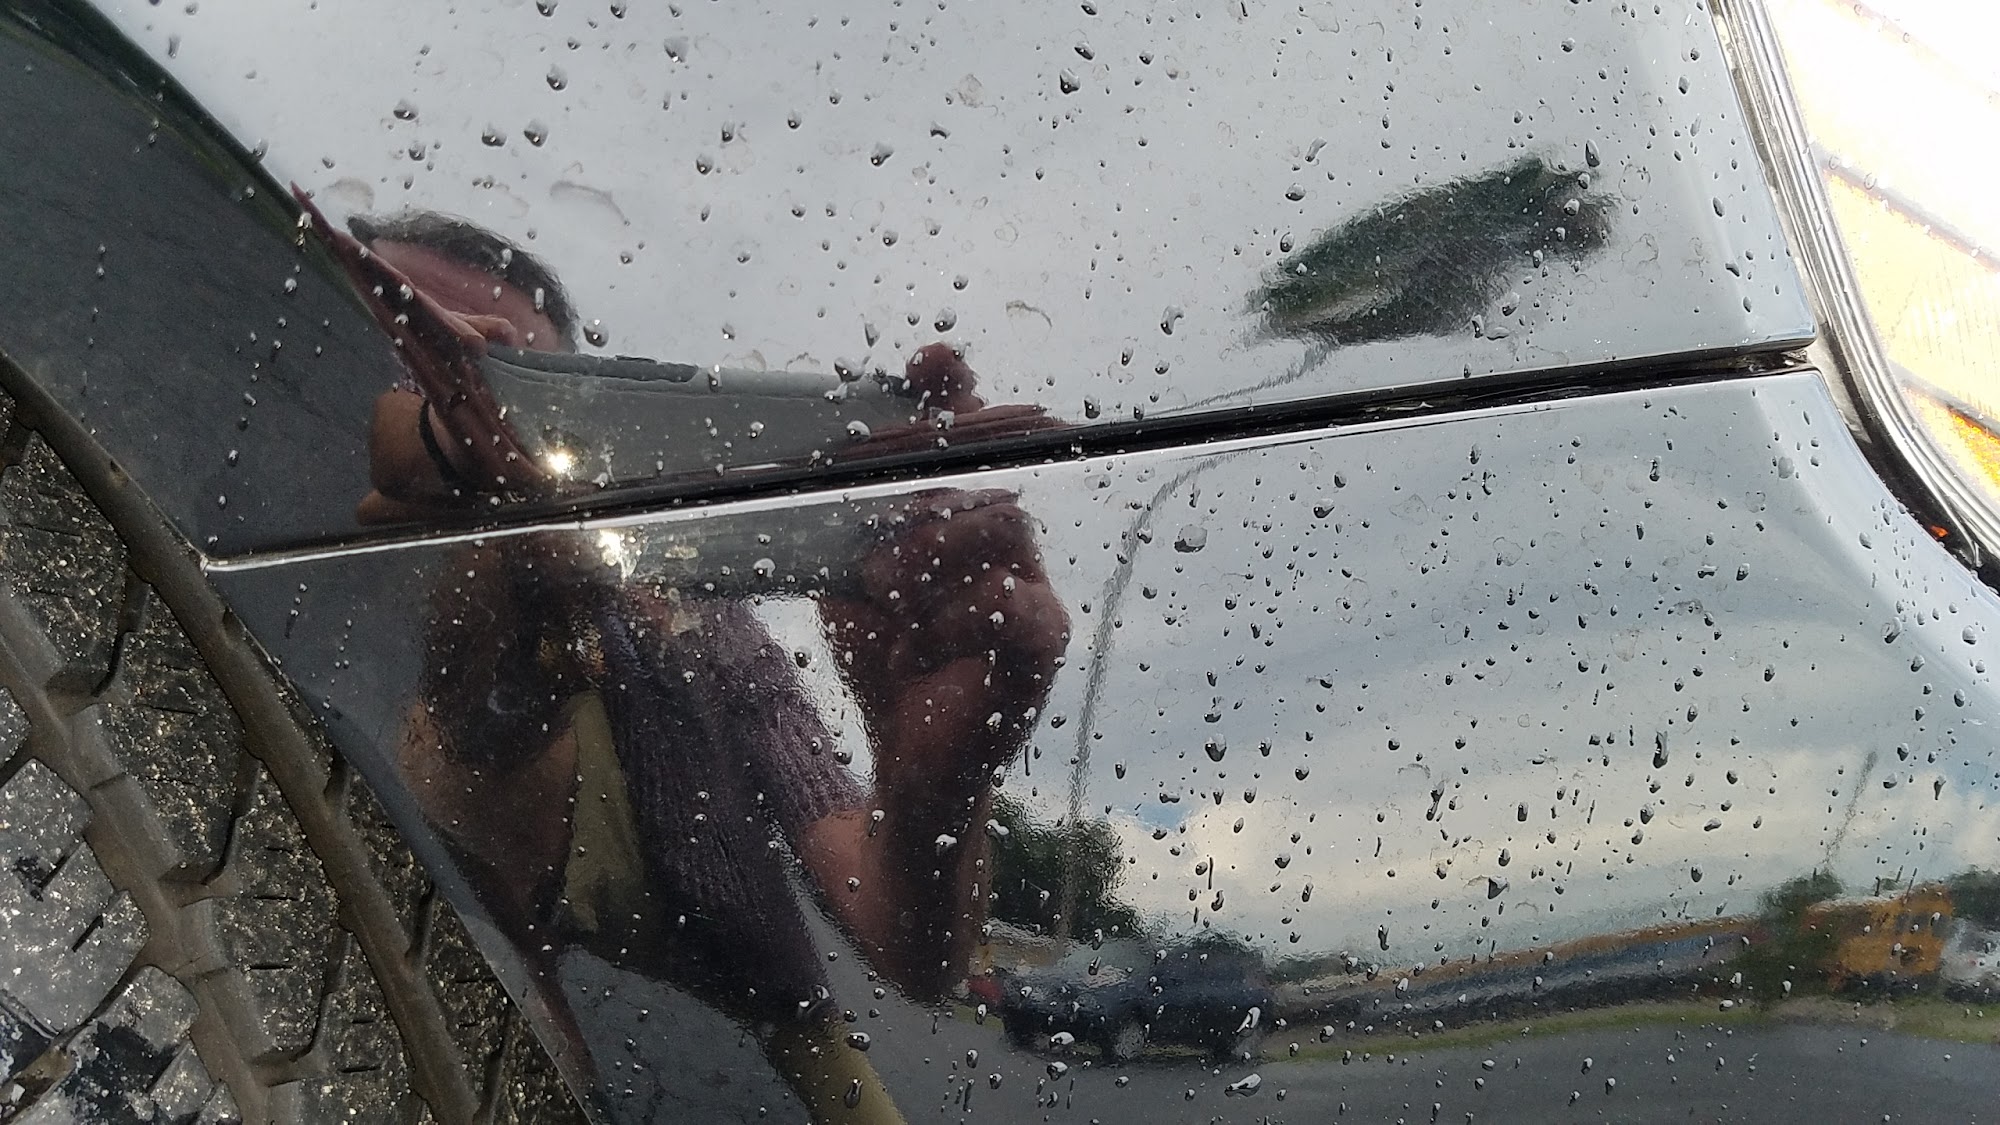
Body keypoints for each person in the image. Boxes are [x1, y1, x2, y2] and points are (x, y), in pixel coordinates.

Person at [309, 199, 1071, 1121]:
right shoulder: (273, 601)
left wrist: (933, 785)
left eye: (523, 388)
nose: (476, 418)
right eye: (424, 361)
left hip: (770, 1002)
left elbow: (909, 950)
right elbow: (473, 706)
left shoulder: (703, 626)